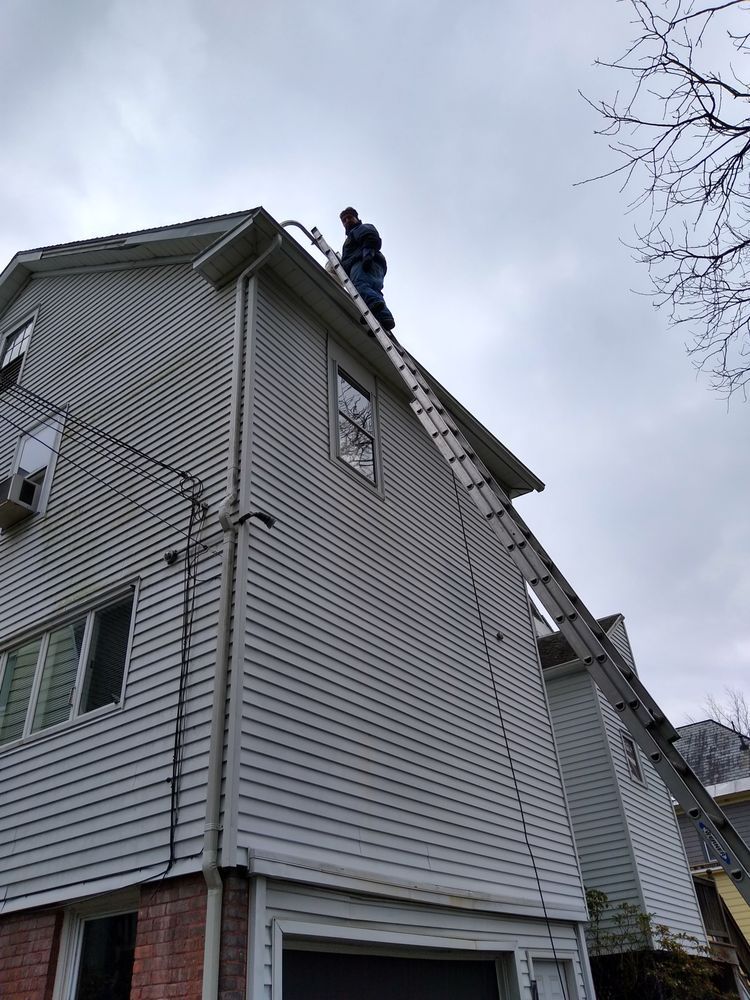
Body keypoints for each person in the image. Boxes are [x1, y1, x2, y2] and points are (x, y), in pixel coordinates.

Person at [339, 207, 395, 330]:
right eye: (344, 220)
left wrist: (367, 255)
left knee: (359, 285)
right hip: (374, 265)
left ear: (356, 218)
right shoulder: (353, 234)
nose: (347, 221)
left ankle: (373, 305)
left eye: (349, 217)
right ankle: (384, 319)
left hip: (363, 262)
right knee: (374, 291)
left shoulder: (359, 229)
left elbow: (370, 237)